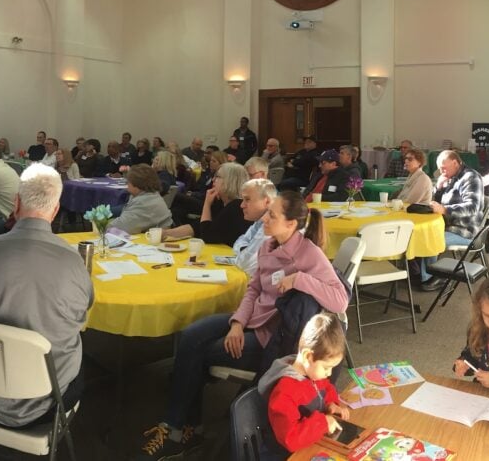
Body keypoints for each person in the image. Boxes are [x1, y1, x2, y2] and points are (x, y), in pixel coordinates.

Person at [134, 191, 349, 460]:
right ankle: (186, 426)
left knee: (199, 353)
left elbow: (340, 301)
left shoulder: (309, 254)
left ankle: (178, 430)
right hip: (249, 320)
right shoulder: (267, 245)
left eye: (273, 215)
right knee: (190, 335)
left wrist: (299, 279)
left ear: (291, 224)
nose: (265, 218)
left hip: (269, 337)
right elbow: (254, 289)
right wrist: (237, 323)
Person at [0, 164, 93, 439]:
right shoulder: (73, 261)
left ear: (17, 203)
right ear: (56, 210)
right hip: (50, 401)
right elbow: (82, 316)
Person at [262, 314, 350, 459]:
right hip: (284, 455)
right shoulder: (284, 392)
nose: (329, 374)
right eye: (327, 367)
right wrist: (323, 423)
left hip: (310, 443)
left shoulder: (313, 373)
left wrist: (332, 404)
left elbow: (326, 388)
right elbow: (290, 439)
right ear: (308, 356)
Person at [418, 150, 485, 290]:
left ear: (455, 163)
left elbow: (473, 207)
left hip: (465, 231)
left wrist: (445, 209)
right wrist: (439, 188)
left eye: (443, 167)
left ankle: (430, 277)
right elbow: (438, 203)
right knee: (423, 234)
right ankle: (425, 272)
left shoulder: (471, 177)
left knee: (429, 238)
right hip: (449, 226)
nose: (441, 172)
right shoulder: (452, 177)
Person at [162, 162, 250, 244]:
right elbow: (196, 227)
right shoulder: (221, 203)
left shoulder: (237, 206)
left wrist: (207, 204)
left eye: (218, 177)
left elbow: (207, 236)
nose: (213, 179)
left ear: (229, 181)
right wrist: (166, 234)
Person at [107, 164, 173, 234]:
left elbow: (118, 227)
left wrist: (99, 224)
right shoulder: (151, 195)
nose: (126, 184)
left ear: (137, 185)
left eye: (128, 181)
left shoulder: (143, 204)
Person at [232, 179, 276, 277]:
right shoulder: (260, 220)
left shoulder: (273, 224)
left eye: (247, 200)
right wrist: (244, 249)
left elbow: (244, 265)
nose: (242, 205)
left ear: (267, 201)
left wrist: (243, 250)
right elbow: (240, 241)